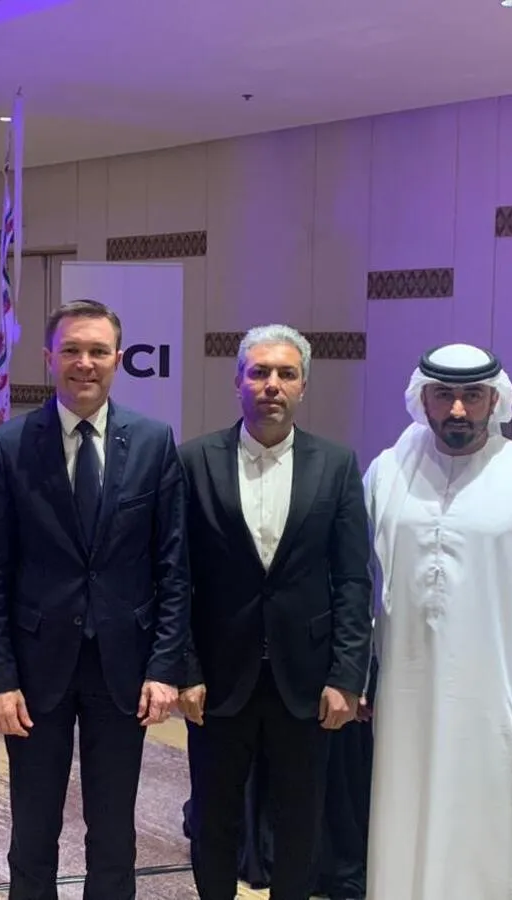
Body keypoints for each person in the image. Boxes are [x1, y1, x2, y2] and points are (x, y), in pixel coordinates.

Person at [361, 343, 512, 900]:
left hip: (503, 695)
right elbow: (360, 580)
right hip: (405, 691)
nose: (459, 409)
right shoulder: (389, 472)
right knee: (404, 814)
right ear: (423, 399)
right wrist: (360, 673)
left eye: (472, 395)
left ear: (496, 400)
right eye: (444, 395)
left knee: (496, 826)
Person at [0, 299, 191, 900]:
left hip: (123, 667)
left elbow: (174, 567)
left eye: (98, 351)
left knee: (114, 829)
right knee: (33, 826)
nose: (84, 363)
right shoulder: (11, 445)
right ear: (49, 357)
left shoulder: (153, 442)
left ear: (119, 359)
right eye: (71, 350)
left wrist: (164, 667)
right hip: (35, 667)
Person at [177, 324, 373, 900]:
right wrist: (185, 669)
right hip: (218, 677)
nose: (272, 385)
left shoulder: (336, 464)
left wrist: (347, 676)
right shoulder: (194, 461)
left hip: (306, 679)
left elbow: (353, 579)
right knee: (213, 817)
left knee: (300, 819)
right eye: (259, 372)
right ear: (237, 380)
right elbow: (176, 578)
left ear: (303, 386)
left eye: (286, 374)